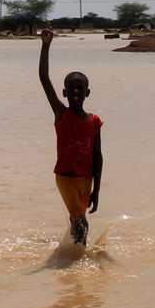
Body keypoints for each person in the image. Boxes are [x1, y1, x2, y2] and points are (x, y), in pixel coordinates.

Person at [37, 27, 102, 244]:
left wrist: (97, 190)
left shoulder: (94, 121)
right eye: (71, 89)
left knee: (80, 220)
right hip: (65, 178)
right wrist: (46, 46)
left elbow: (98, 156)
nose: (75, 93)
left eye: (80, 89)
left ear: (88, 93)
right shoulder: (60, 114)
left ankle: (72, 253)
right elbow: (44, 78)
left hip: (86, 179)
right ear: (64, 92)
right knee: (81, 222)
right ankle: (77, 263)